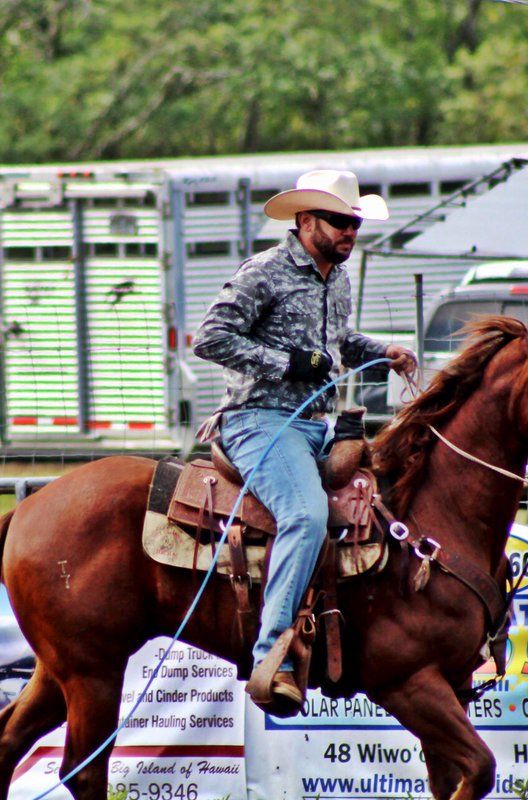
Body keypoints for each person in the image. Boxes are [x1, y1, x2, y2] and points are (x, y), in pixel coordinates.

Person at [193, 169, 416, 715]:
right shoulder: (264, 272)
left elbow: (335, 346)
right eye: (340, 222)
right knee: (305, 515)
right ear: (305, 220)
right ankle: (273, 653)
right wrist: (285, 363)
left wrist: (381, 350)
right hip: (258, 421)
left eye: (354, 223)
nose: (349, 232)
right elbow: (210, 338)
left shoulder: (335, 278)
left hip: (318, 423)